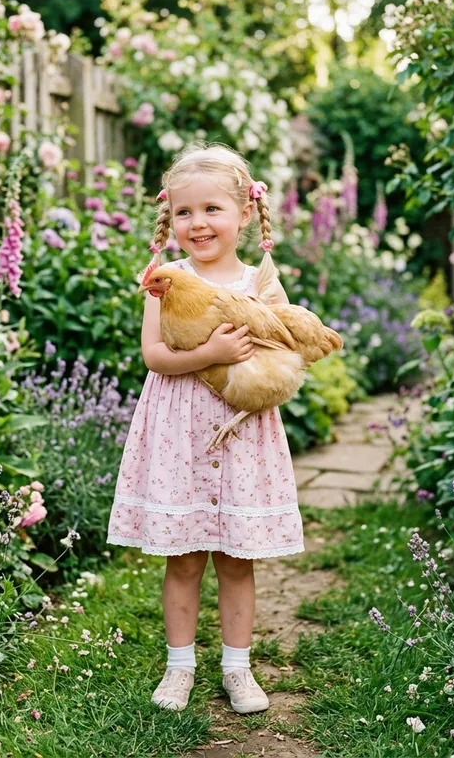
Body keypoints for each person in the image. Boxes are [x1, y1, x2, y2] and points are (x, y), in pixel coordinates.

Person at [106, 143, 304, 715]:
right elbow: (153, 354)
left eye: (213, 209)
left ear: (244, 213)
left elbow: (282, 345)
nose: (199, 224)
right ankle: (180, 666)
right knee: (186, 557)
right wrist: (209, 352)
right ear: (172, 219)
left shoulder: (259, 279)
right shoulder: (165, 278)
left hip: (242, 433)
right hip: (180, 432)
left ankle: (238, 669)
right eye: (187, 212)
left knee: (237, 560)